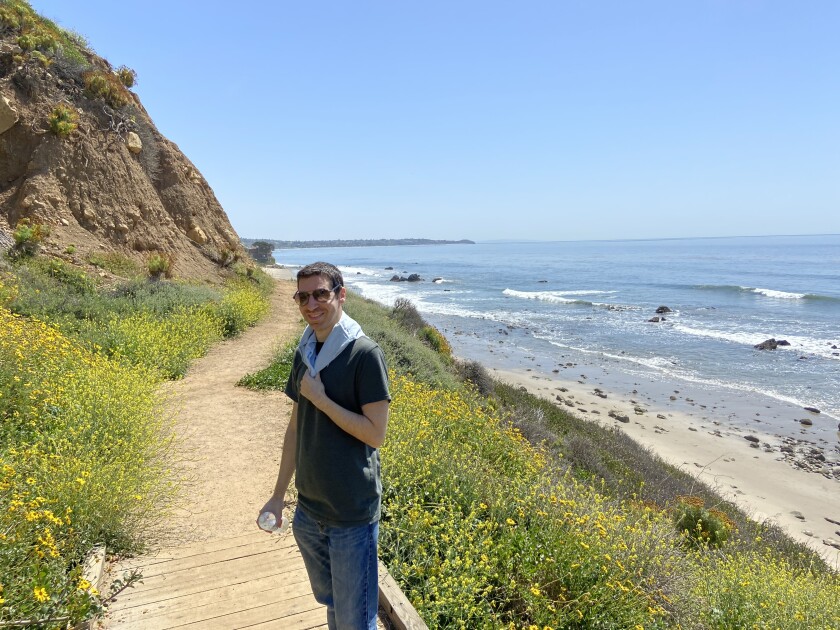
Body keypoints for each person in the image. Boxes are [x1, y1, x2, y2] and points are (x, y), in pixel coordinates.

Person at [260, 261, 390, 630]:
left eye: (321, 293)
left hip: (350, 513)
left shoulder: (365, 355)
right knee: (334, 605)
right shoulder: (305, 350)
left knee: (355, 619)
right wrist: (277, 495)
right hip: (309, 511)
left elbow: (375, 434)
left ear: (341, 295)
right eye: (303, 296)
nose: (311, 304)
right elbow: (296, 427)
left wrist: (321, 399)